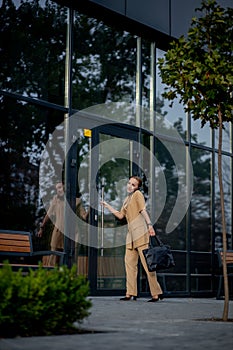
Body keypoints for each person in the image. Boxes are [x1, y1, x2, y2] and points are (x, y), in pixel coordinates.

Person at [101, 176, 163, 302]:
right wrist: (108, 206)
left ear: (137, 187)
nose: (130, 186)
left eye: (133, 185)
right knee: (129, 265)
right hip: (131, 236)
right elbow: (120, 215)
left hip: (140, 232)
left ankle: (156, 294)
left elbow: (143, 210)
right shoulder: (126, 199)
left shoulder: (138, 195)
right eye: (129, 183)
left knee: (147, 264)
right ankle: (130, 293)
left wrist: (150, 225)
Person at [38, 182, 88, 266]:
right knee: (54, 257)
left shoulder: (77, 201)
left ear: (65, 188)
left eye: (60, 187)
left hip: (72, 233)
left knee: (72, 259)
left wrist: (91, 208)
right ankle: (52, 276)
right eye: (57, 188)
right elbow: (48, 214)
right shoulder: (55, 200)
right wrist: (42, 227)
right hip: (58, 231)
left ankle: (71, 277)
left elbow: (84, 216)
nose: (58, 190)